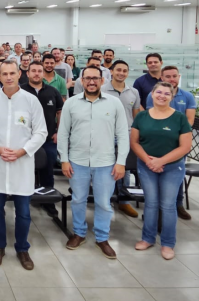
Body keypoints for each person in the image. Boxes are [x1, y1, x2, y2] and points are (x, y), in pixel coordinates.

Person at [0, 60, 47, 271]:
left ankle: (22, 248)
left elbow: (41, 132)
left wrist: (22, 151)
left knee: (24, 212)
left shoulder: (30, 101)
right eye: (4, 73)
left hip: (22, 163)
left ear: (20, 74)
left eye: (12, 73)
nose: (8, 77)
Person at [58, 66, 128, 259]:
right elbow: (63, 134)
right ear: (81, 80)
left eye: (95, 78)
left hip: (105, 162)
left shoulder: (114, 104)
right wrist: (64, 160)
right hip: (77, 161)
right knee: (78, 199)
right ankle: (79, 233)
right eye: (87, 78)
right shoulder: (71, 104)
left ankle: (102, 237)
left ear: (102, 80)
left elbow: (123, 134)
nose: (91, 82)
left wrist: (121, 162)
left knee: (104, 203)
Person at [131, 82, 193, 261]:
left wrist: (161, 161)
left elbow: (185, 146)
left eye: (167, 93)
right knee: (150, 203)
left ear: (172, 97)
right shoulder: (142, 116)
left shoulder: (179, 118)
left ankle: (167, 243)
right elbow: (134, 142)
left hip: (172, 167)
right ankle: (147, 238)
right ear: (152, 94)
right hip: (146, 165)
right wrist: (149, 161)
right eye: (158, 92)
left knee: (167, 205)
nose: (162, 96)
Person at [146, 65, 197, 220]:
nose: (171, 79)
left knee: (176, 177)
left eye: (174, 76)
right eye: (167, 76)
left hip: (179, 144)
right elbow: (152, 118)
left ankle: (178, 204)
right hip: (158, 143)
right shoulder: (153, 95)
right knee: (155, 173)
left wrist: (176, 134)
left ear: (179, 77)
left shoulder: (187, 96)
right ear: (162, 78)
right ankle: (158, 210)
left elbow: (190, 120)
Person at [20, 62, 63, 217]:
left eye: (40, 71)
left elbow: (60, 113)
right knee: (24, 168)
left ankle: (48, 201)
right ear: (27, 73)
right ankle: (23, 197)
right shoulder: (21, 91)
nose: (37, 74)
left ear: (44, 74)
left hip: (48, 139)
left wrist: (59, 131)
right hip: (24, 139)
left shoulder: (53, 91)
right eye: (34, 71)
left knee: (47, 168)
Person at [101, 60, 141, 218]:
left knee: (124, 167)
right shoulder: (102, 90)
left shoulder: (134, 92)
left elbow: (136, 115)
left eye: (125, 71)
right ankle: (107, 199)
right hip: (106, 134)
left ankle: (124, 201)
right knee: (107, 167)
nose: (121, 73)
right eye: (118, 70)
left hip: (126, 134)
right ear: (111, 71)